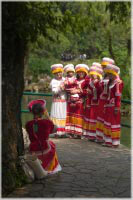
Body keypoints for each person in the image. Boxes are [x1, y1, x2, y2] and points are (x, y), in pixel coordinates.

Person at [25, 99, 62, 175]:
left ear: (32, 112)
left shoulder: (28, 124)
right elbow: (55, 129)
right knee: (52, 144)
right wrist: (48, 117)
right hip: (45, 148)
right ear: (43, 112)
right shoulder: (47, 122)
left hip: (33, 148)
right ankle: (50, 168)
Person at [65, 64, 89, 139]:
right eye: (79, 72)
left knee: (79, 116)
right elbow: (67, 87)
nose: (81, 73)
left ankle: (79, 133)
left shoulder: (86, 81)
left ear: (85, 73)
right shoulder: (74, 80)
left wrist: (79, 91)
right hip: (71, 100)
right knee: (72, 116)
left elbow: (87, 92)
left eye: (82, 72)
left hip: (80, 101)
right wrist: (70, 91)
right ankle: (71, 132)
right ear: (77, 73)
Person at [102, 64, 124, 147]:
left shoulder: (118, 83)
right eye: (108, 74)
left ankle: (115, 142)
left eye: (111, 74)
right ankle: (108, 141)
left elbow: (118, 96)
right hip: (108, 105)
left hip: (113, 105)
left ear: (115, 74)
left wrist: (117, 107)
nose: (109, 76)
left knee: (113, 123)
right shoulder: (109, 83)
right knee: (107, 123)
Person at [95, 58, 115, 143]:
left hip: (107, 102)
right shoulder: (103, 78)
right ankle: (100, 137)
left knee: (106, 120)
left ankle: (106, 138)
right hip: (101, 101)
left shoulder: (112, 80)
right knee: (100, 119)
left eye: (105, 67)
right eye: (103, 67)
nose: (103, 69)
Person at [82, 63, 103, 141]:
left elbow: (101, 92)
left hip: (97, 102)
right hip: (91, 102)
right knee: (90, 118)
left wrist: (93, 91)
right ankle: (90, 134)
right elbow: (84, 87)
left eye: (95, 74)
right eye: (92, 74)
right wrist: (87, 92)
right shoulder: (90, 82)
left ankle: (94, 135)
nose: (94, 75)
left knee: (95, 118)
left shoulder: (99, 83)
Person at [50, 64, 67, 138]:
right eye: (57, 73)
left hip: (63, 101)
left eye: (60, 72)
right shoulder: (53, 81)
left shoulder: (65, 79)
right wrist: (60, 88)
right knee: (56, 115)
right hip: (57, 101)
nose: (59, 74)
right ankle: (56, 131)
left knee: (63, 115)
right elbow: (54, 91)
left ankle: (63, 131)